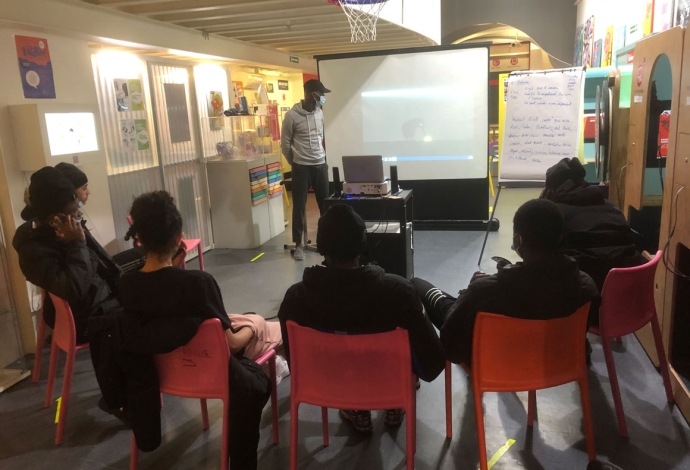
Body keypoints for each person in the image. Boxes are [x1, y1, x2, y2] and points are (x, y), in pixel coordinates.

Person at [119, 190, 284, 468]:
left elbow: (164, 308)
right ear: (178, 238)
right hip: (214, 371)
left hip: (163, 374)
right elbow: (232, 345)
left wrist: (173, 269)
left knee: (244, 322)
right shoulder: (198, 284)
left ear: (140, 239)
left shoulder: (126, 285)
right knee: (267, 328)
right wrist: (254, 324)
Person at [278, 204, 445, 432]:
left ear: (322, 247)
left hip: (329, 384)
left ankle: (354, 406)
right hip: (388, 379)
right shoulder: (399, 293)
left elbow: (296, 364)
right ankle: (394, 398)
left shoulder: (295, 299)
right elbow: (431, 360)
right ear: (362, 244)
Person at [411, 199, 600, 365]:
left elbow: (453, 348)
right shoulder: (586, 286)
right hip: (553, 362)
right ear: (560, 237)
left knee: (416, 285)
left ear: (518, 240)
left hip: (494, 362)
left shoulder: (483, 291)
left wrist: (468, 294)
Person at [13, 166, 126, 418]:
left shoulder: (62, 228)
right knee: (141, 314)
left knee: (153, 284)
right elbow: (73, 289)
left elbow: (105, 265)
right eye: (74, 210)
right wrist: (77, 243)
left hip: (99, 298)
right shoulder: (34, 248)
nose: (79, 213)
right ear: (55, 217)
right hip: (83, 317)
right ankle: (124, 398)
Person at [540, 157, 647, 290]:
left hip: (584, 291)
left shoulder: (554, 214)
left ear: (550, 189)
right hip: (627, 289)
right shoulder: (611, 206)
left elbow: (539, 254)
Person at [281, 79, 331, 261]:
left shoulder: (319, 112)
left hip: (320, 164)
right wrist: (295, 162)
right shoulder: (291, 116)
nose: (323, 97)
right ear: (311, 94)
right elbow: (285, 144)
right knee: (299, 207)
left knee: (325, 205)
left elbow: (319, 137)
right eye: (321, 94)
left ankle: (327, 243)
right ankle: (298, 245)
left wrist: (321, 157)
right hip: (301, 167)